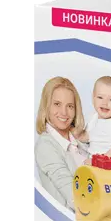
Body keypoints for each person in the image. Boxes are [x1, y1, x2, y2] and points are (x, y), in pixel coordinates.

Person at [35, 77, 89, 211]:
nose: (64, 112)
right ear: (46, 106)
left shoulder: (81, 141)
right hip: (74, 220)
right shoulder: (46, 146)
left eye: (70, 106)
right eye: (57, 104)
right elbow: (74, 196)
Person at [76, 76, 111, 158]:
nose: (104, 103)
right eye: (100, 97)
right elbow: (87, 137)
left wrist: (98, 162)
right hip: (90, 158)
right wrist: (75, 133)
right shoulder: (94, 117)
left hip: (105, 163)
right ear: (93, 99)